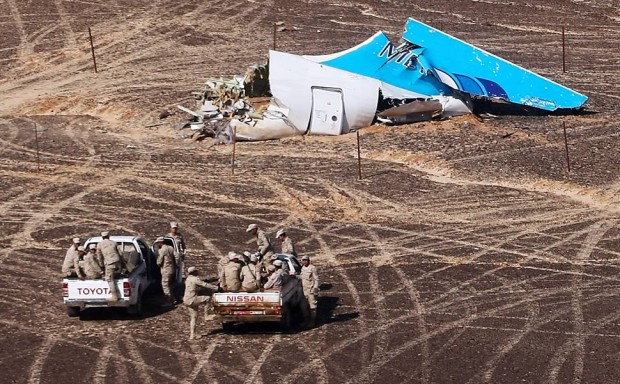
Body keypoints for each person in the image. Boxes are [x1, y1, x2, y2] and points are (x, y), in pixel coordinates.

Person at [183, 266, 218, 340]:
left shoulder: (188, 279)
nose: (197, 272)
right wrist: (217, 288)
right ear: (194, 272)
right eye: (196, 271)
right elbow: (204, 285)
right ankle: (206, 315)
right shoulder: (195, 279)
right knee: (207, 298)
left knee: (194, 317)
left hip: (186, 300)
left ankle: (192, 335)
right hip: (192, 299)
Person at [96, 231, 123, 302]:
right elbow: (120, 253)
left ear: (102, 237)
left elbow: (99, 257)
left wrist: (101, 265)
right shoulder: (114, 243)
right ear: (108, 236)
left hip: (109, 263)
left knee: (109, 279)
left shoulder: (99, 245)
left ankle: (114, 297)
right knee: (118, 275)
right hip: (117, 261)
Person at [155, 237, 177, 306]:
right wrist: (176, 265)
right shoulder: (171, 248)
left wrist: (157, 261)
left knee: (165, 286)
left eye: (158, 243)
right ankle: (173, 300)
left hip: (166, 270)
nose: (157, 244)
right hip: (172, 268)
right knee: (169, 285)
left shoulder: (162, 250)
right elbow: (177, 256)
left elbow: (159, 262)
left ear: (160, 242)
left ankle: (168, 301)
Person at [300, 255, 319, 327]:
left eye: (306, 260)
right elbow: (302, 277)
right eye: (303, 260)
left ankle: (312, 321)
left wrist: (315, 288)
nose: (305, 261)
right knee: (303, 306)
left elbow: (316, 279)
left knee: (312, 307)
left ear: (309, 261)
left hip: (311, 290)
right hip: (304, 290)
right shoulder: (303, 268)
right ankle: (306, 319)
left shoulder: (312, 268)